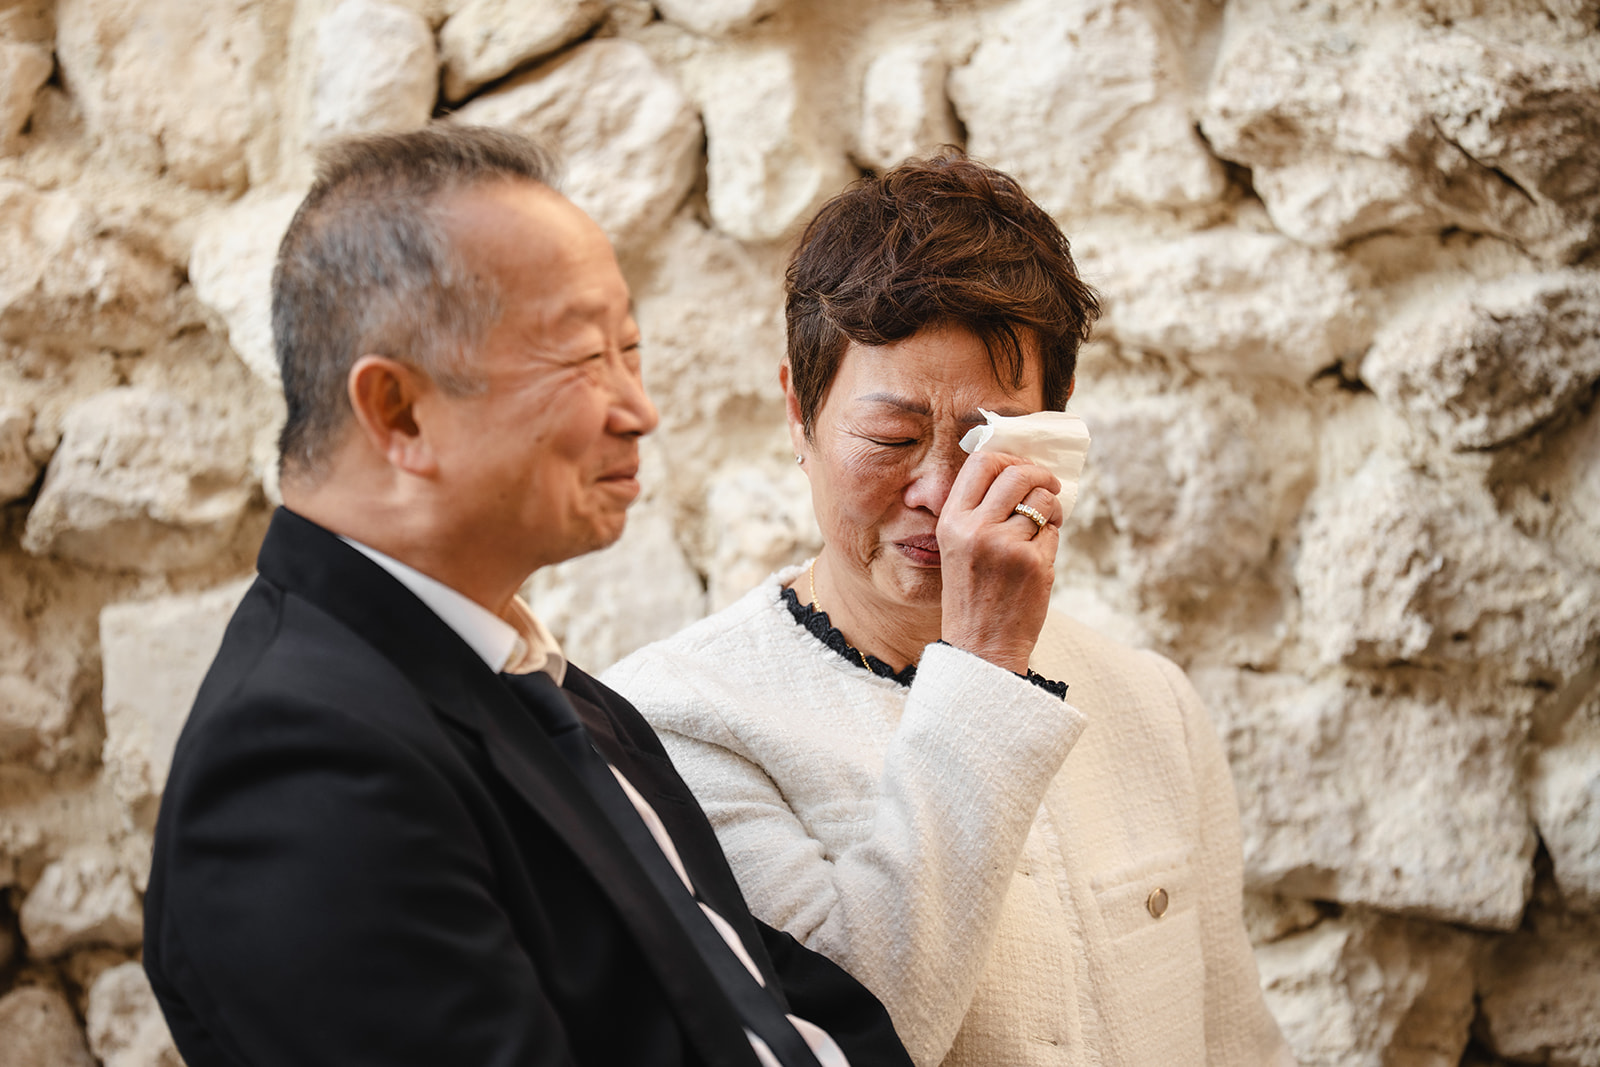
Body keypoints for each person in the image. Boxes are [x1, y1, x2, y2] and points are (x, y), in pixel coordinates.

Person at [142, 126, 916, 1067]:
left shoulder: (539, 685)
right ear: (399, 411)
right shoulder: (297, 768)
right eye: (585, 358)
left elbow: (760, 999)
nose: (640, 411)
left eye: (630, 350)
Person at [603, 153, 1295, 1067]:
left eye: (987, 439)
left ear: (1057, 420)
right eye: (890, 437)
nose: (938, 489)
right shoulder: (674, 722)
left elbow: (1237, 1043)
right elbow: (837, 1038)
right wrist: (984, 667)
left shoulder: (1152, 704)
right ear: (800, 413)